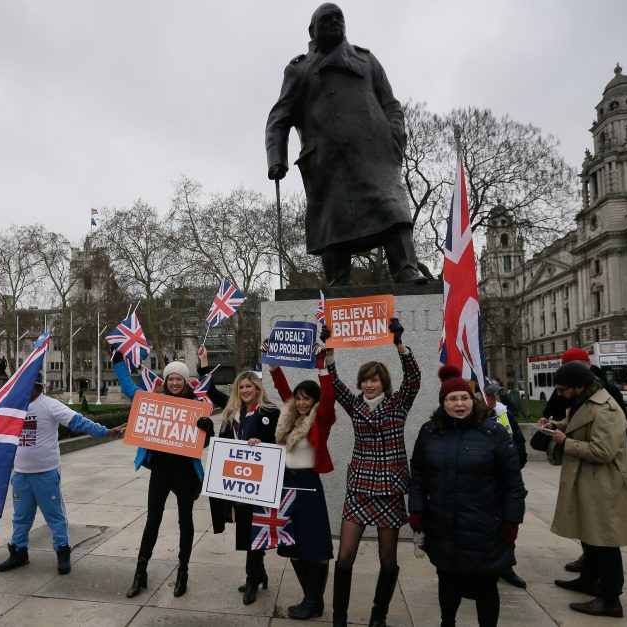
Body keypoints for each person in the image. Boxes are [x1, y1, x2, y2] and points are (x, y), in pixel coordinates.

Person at [264, 3, 425, 287]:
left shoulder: (366, 60)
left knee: (393, 209)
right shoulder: (299, 71)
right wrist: (277, 158)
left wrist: (395, 138)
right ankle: (339, 280)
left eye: (339, 18)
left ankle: (406, 270)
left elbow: (390, 104)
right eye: (326, 19)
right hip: (327, 163)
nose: (334, 22)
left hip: (375, 156)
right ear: (312, 30)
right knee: (333, 222)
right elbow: (279, 118)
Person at [409, 367, 527, 627]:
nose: (459, 404)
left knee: (485, 586)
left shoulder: (494, 433)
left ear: (472, 399)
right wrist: (416, 511)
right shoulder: (429, 432)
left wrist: (511, 521)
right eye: (452, 399)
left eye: (463, 397)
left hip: (483, 526)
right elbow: (418, 475)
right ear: (443, 403)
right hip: (443, 524)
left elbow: (513, 484)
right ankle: (447, 622)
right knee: (448, 581)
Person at [325, 318, 419, 627]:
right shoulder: (355, 405)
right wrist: (329, 354)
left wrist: (400, 345)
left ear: (383, 382)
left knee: (387, 560)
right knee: (345, 556)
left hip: (389, 490)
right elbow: (335, 384)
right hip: (360, 488)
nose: (368, 384)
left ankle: (379, 616)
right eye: (365, 379)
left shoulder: (398, 404)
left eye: (374, 380)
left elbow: (414, 379)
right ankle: (340, 618)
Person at [115, 347, 218, 599]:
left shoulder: (196, 405)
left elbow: (202, 443)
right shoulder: (154, 401)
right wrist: (119, 361)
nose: (174, 382)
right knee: (153, 520)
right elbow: (130, 389)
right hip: (160, 470)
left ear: (185, 381)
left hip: (185, 471)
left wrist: (209, 429)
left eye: (178, 379)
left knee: (186, 521)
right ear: (166, 380)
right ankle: (140, 572)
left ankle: (182, 571)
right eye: (170, 378)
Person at [0, 374, 125, 575]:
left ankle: (62, 551)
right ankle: (18, 552)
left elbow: (77, 422)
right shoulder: (14, 406)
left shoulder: (50, 405)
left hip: (45, 473)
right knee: (21, 517)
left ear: (38, 386)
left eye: (28, 384)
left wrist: (105, 432)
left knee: (55, 516)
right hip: (21, 473)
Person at [541, 362, 627, 618]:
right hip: (587, 481)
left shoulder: (606, 408)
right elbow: (576, 424)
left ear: (579, 386)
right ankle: (588, 580)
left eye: (562, 390)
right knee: (590, 536)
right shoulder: (585, 400)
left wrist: (565, 441)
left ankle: (610, 599)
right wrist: (556, 426)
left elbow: (603, 452)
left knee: (605, 541)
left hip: (603, 484)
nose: (559, 394)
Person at [261, 339, 336, 619]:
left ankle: (312, 600)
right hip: (285, 488)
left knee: (314, 547)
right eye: (300, 397)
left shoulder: (321, 419)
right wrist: (272, 362)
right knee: (291, 547)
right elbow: (283, 391)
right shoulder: (290, 416)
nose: (302, 402)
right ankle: (311, 599)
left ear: (314, 400)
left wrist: (323, 367)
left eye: (308, 398)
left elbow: (328, 399)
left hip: (308, 487)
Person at [212, 370, 279, 605]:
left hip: (259, 480)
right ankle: (259, 573)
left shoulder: (271, 412)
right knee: (245, 529)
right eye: (241, 387)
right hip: (237, 480)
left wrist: (263, 444)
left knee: (254, 530)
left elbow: (278, 441)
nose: (245, 391)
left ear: (258, 388)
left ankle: (253, 579)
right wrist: (203, 365)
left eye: (249, 387)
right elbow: (210, 392)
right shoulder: (233, 412)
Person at [483, 382, 528, 590]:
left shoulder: (504, 415)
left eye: (494, 396)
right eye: (488, 396)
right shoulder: (471, 416)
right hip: (482, 480)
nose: (492, 400)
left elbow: (518, 442)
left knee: (508, 524)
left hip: (505, 479)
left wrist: (513, 463)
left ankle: (506, 566)